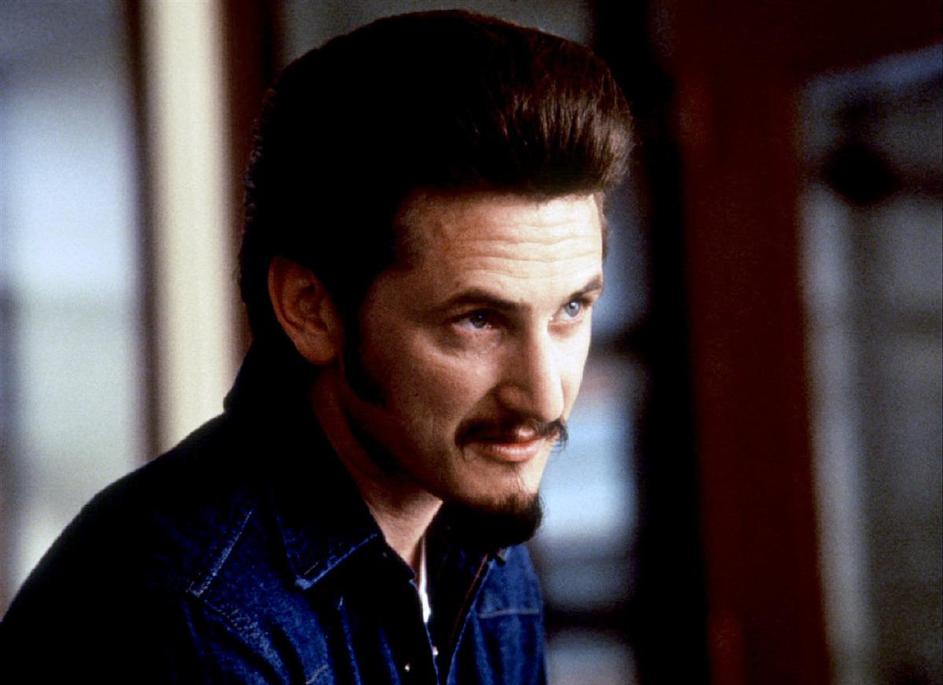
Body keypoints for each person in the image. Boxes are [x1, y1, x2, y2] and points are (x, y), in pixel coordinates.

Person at [0, 10, 630, 683]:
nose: (543, 397)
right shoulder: (196, 618)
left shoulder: (477, 543)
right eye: (478, 320)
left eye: (571, 309)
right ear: (310, 310)